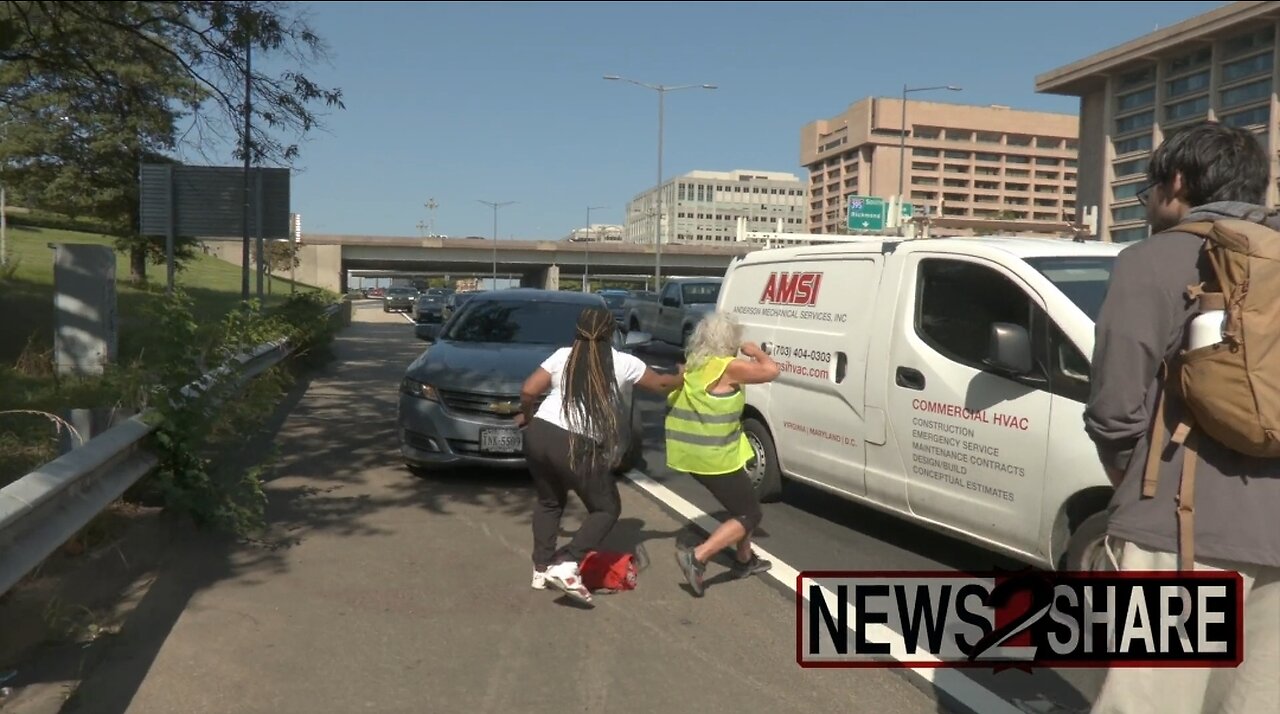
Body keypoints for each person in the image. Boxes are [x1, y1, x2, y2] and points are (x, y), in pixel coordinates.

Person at [1084, 120, 1279, 714]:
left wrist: (1132, 485)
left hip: (1180, 531)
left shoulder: (1153, 261)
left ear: (1175, 181)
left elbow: (1116, 411)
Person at [517, 305, 681, 607]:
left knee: (549, 501)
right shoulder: (622, 362)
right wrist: (680, 376)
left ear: (578, 330)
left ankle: (540, 569)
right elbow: (660, 385)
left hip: (539, 433)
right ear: (610, 332)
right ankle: (567, 563)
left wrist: (526, 417)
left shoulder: (561, 355)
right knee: (606, 508)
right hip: (575, 443)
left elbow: (528, 390)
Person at [666, 312, 781, 597]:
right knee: (750, 513)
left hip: (695, 454)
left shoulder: (694, 366)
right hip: (713, 456)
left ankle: (744, 560)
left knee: (742, 503)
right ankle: (699, 556)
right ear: (728, 341)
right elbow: (771, 372)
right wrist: (755, 352)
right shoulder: (727, 367)